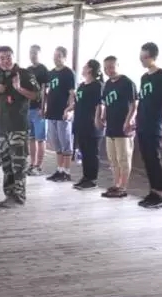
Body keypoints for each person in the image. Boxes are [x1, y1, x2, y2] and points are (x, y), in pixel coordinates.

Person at [0, 46, 39, 208]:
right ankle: (9, 194)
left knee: (19, 163)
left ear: (14, 57)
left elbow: (36, 95)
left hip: (18, 125)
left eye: (8, 57)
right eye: (2, 58)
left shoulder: (24, 74)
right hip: (2, 125)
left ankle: (19, 196)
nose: (5, 61)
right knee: (6, 162)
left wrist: (19, 89)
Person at [136, 42, 162, 208]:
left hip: (155, 123)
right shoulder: (144, 77)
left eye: (144, 57)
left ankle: (161, 193)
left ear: (152, 57)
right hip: (142, 123)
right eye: (140, 57)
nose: (142, 60)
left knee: (154, 157)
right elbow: (142, 100)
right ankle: (153, 190)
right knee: (146, 158)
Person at [96, 56, 137, 198]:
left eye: (112, 67)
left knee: (123, 158)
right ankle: (116, 184)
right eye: (106, 68)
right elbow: (106, 103)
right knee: (113, 159)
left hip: (123, 128)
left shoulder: (127, 83)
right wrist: (103, 117)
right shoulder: (107, 84)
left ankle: (123, 187)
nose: (109, 70)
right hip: (111, 126)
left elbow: (134, 104)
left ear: (117, 66)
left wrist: (128, 121)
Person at [65, 59, 103, 190]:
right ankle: (85, 177)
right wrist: (68, 109)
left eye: (85, 66)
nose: (83, 68)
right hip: (80, 123)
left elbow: (100, 104)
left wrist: (97, 119)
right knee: (84, 152)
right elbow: (77, 102)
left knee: (92, 152)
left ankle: (92, 179)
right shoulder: (82, 85)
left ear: (90, 69)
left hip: (91, 124)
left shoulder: (97, 86)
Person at [45, 46, 76, 181]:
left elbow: (72, 93)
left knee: (65, 142)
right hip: (51, 111)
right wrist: (44, 107)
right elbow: (47, 91)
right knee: (56, 143)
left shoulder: (69, 73)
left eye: (59, 56)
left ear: (64, 57)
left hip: (63, 112)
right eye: (55, 55)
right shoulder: (51, 73)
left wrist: (69, 109)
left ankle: (67, 172)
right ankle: (59, 169)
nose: (56, 58)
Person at [27, 44, 50, 175]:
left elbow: (46, 90)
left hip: (39, 109)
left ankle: (39, 165)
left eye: (35, 53)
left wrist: (44, 106)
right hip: (28, 108)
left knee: (40, 138)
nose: (33, 55)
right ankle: (32, 163)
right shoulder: (28, 70)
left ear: (39, 54)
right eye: (31, 53)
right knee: (31, 137)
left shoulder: (43, 70)